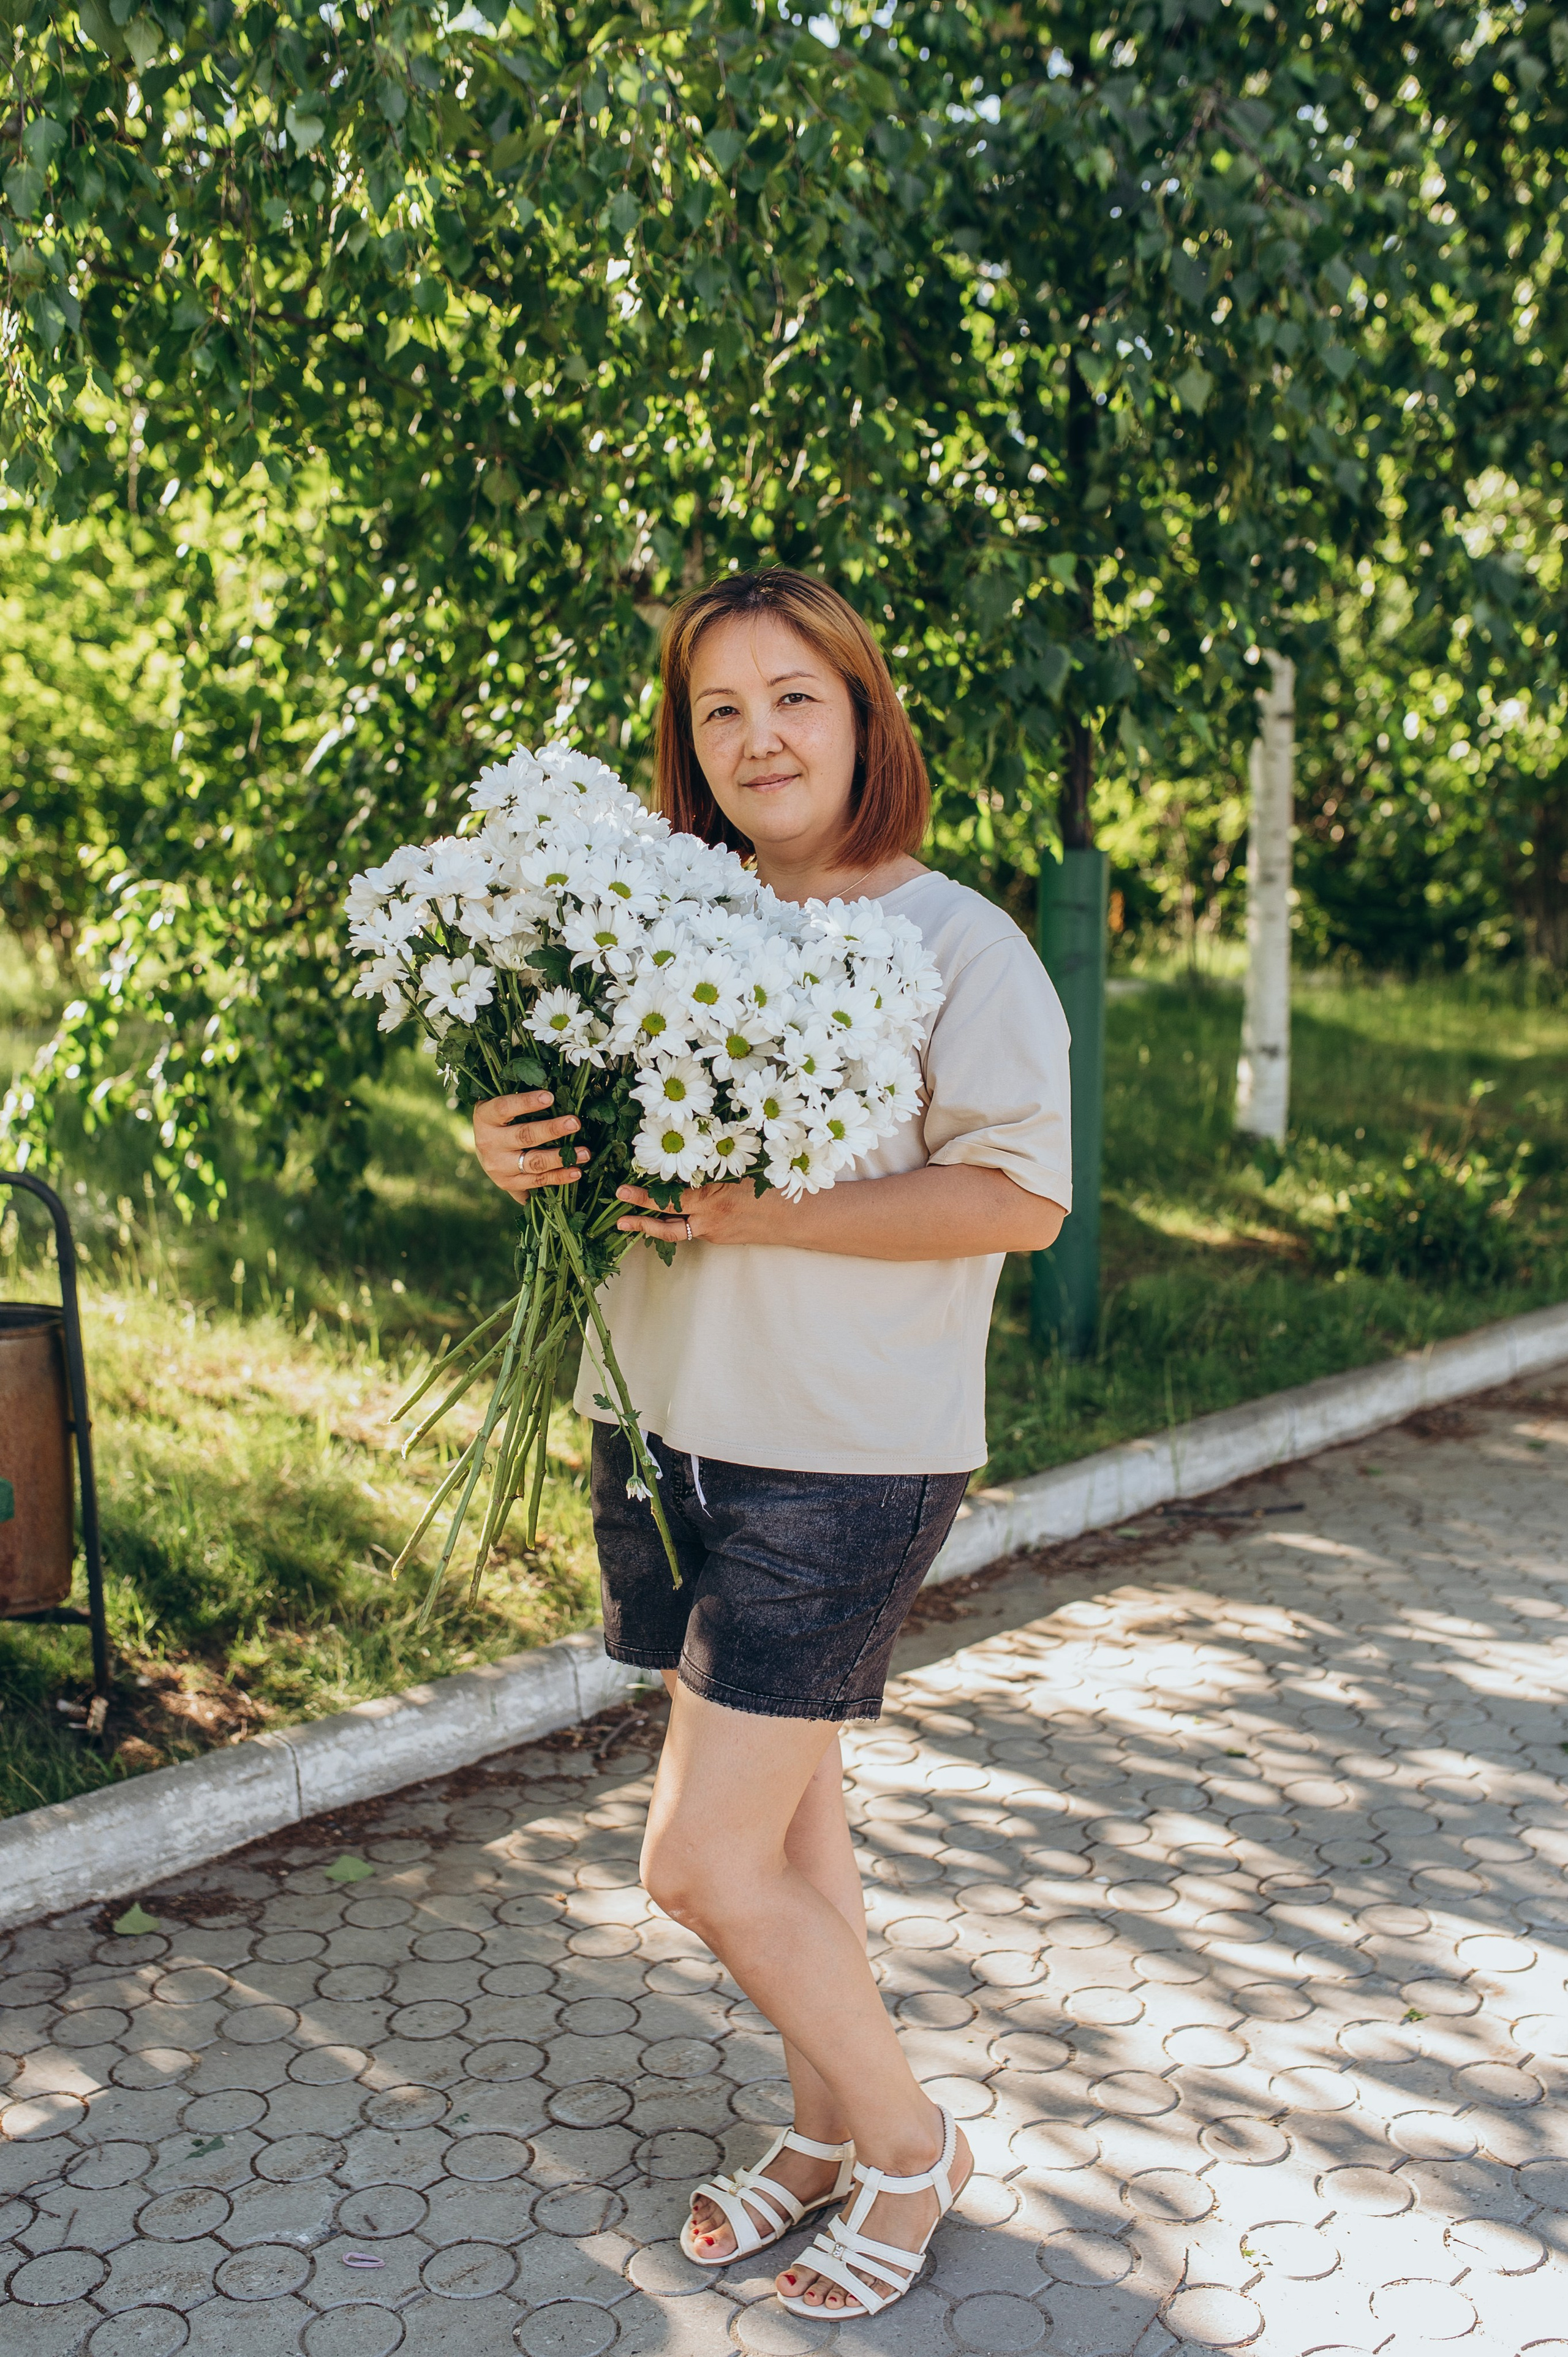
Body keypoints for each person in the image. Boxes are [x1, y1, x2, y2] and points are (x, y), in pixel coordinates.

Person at [473, 569, 1071, 2318]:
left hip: (846, 1450)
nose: (759, 738)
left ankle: (905, 2142)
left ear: (865, 713)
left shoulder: (960, 939)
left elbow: (1020, 1200)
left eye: (794, 698)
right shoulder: (654, 921)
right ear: (689, 743)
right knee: (800, 1840)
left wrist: (757, 1208)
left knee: (698, 1860)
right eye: (721, 710)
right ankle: (815, 2137)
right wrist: (509, 1146)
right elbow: (587, 1140)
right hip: (660, 1426)